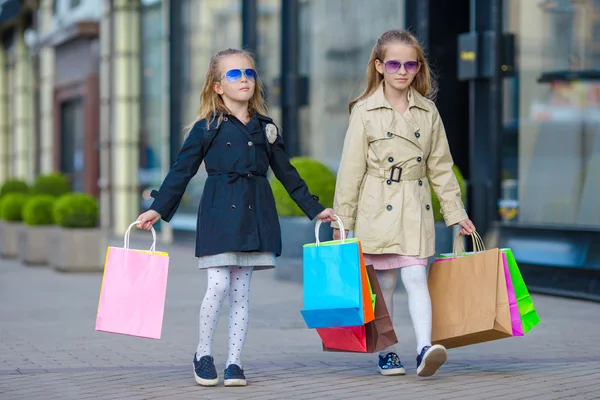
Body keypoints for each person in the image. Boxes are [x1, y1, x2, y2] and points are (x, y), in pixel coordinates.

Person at [136, 48, 336, 387]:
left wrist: (315, 209)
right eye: (233, 74)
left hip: (255, 213)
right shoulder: (206, 128)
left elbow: (287, 173)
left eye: (248, 73)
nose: (243, 78)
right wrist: (158, 207)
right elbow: (181, 171)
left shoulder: (266, 128)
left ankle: (234, 362)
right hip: (218, 213)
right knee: (217, 286)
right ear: (217, 86)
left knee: (242, 292)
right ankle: (202, 354)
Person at [331, 29, 476, 378]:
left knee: (416, 277)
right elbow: (351, 170)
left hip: (414, 203)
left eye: (411, 64)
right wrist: (343, 222)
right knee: (385, 284)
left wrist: (457, 214)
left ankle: (425, 347)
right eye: (394, 63)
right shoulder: (364, 111)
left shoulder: (428, 112)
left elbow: (441, 167)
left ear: (418, 68)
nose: (402, 70)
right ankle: (387, 351)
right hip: (376, 205)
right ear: (379, 66)